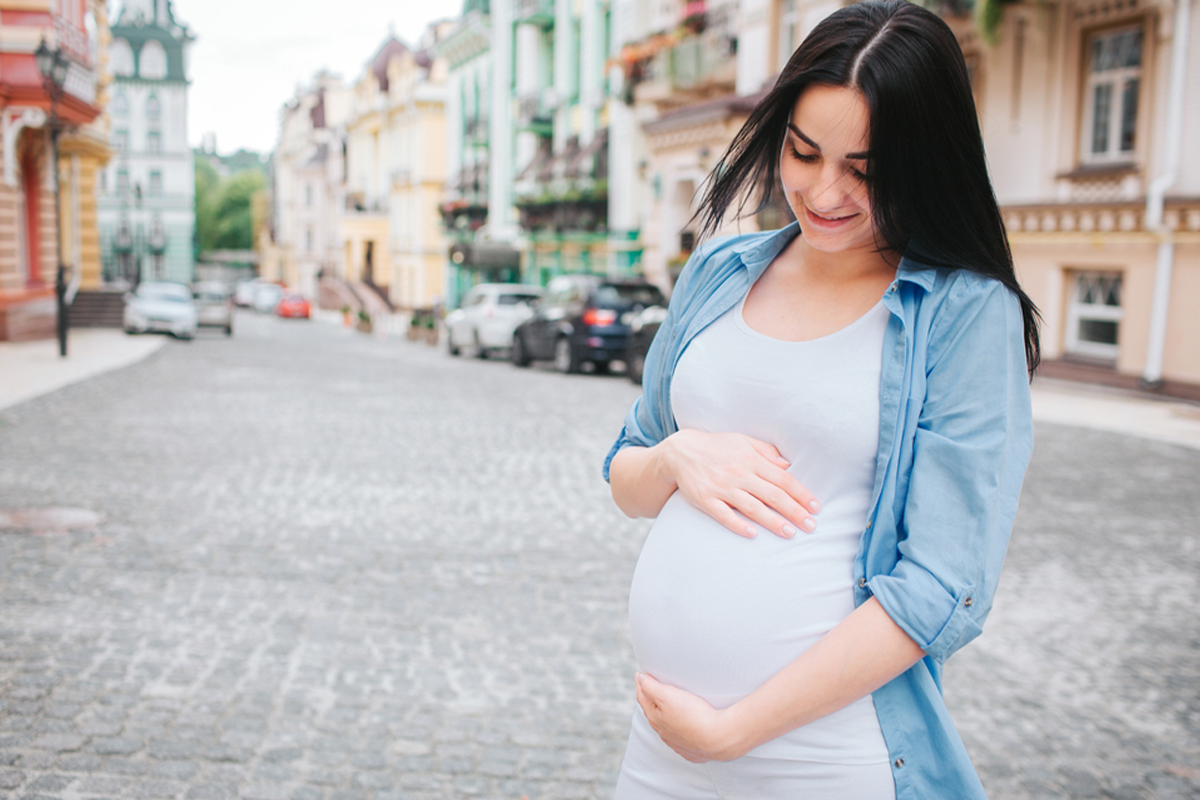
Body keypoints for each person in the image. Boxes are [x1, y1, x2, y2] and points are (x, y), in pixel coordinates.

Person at [602, 2, 1040, 798]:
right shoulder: (720, 271)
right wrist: (676, 455)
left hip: (825, 757)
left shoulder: (966, 312)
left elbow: (940, 587)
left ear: (925, 163)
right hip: (663, 748)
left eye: (866, 170)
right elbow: (625, 476)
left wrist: (734, 733)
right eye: (803, 153)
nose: (824, 191)